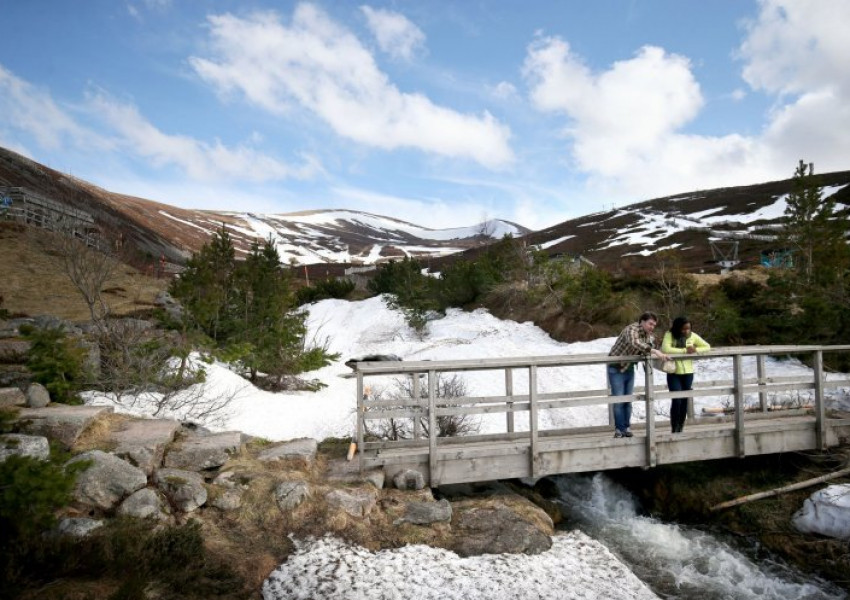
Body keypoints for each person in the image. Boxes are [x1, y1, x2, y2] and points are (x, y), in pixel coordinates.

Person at [608, 311, 669, 438]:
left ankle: (627, 427)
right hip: (617, 367)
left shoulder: (648, 335)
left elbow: (646, 348)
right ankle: (619, 429)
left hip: (629, 367)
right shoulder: (631, 329)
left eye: (654, 325)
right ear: (642, 322)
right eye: (650, 324)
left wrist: (656, 352)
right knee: (619, 400)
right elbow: (634, 343)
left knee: (628, 400)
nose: (652, 327)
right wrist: (654, 350)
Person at [661, 316, 711, 433]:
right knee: (676, 399)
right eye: (683, 329)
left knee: (684, 400)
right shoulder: (669, 334)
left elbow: (707, 346)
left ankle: (680, 426)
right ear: (678, 328)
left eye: (688, 328)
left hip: (688, 372)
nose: (686, 331)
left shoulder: (692, 336)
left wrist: (695, 350)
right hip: (674, 372)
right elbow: (665, 348)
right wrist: (684, 351)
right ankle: (674, 427)